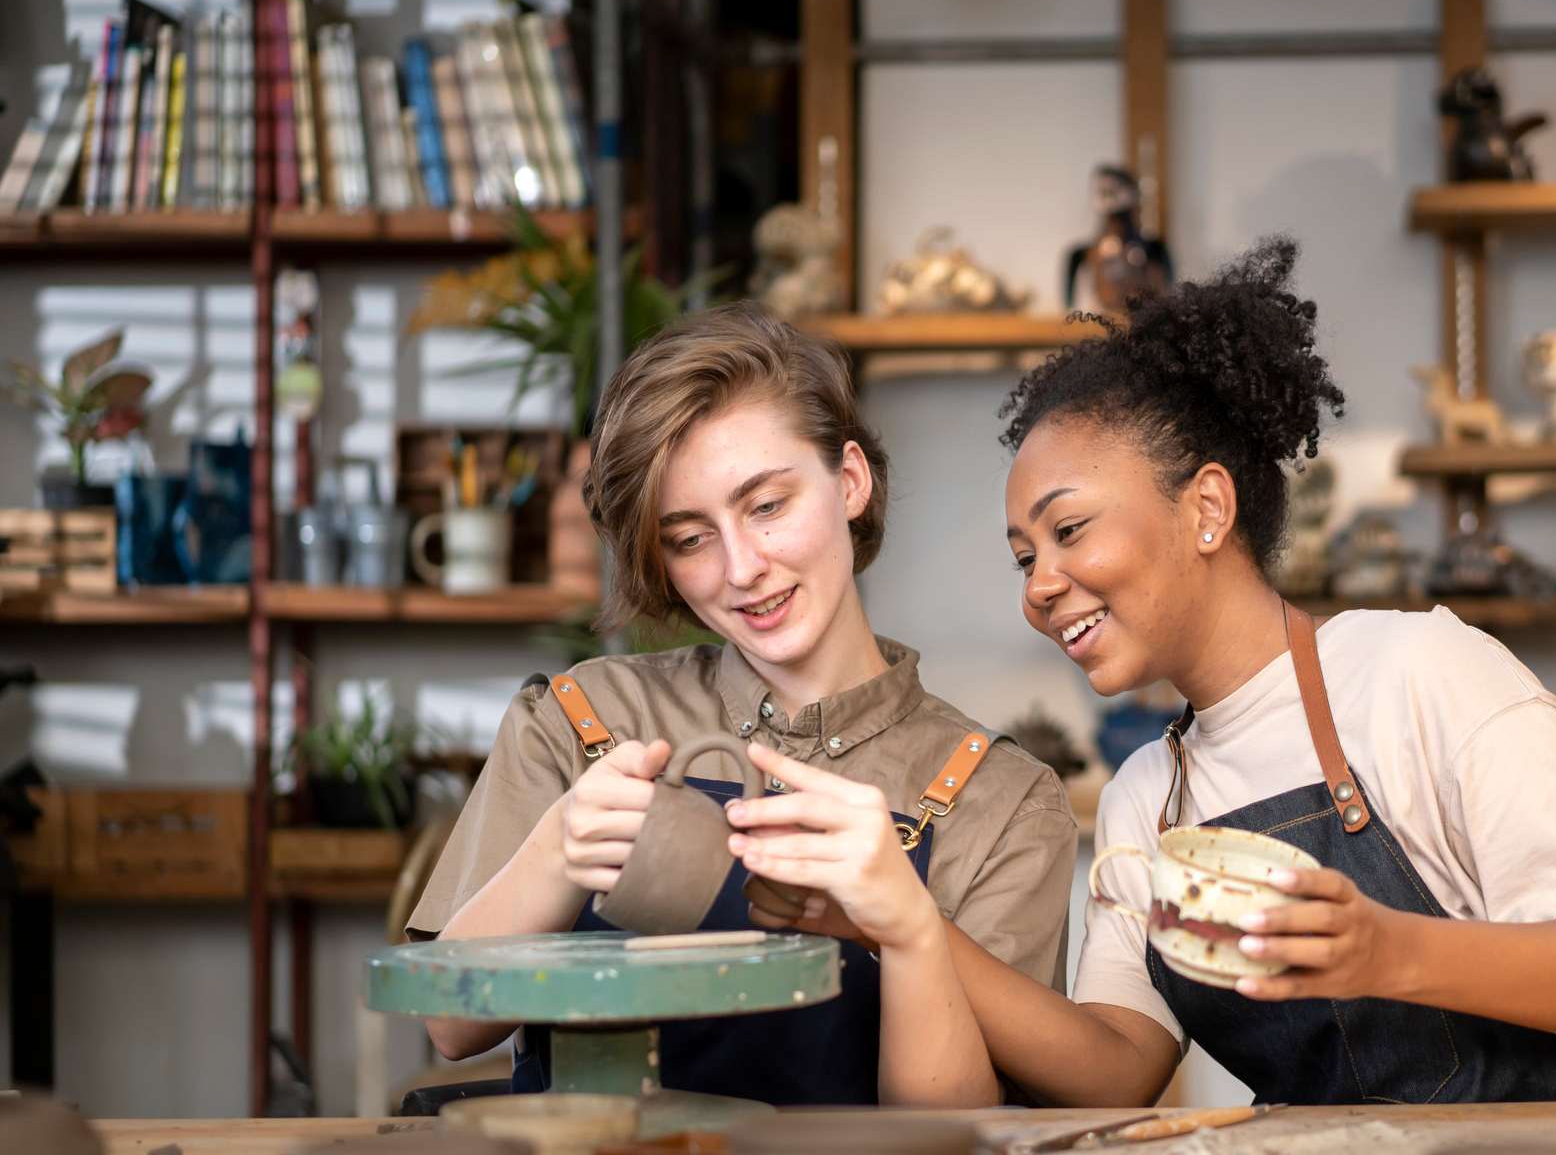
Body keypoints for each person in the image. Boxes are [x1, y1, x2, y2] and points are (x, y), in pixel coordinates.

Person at [730, 239, 1556, 1106]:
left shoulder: (1419, 673)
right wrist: (896, 921)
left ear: (1206, 509)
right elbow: (1117, 1066)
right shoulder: (1148, 800)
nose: (1040, 585)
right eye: (1025, 555)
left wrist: (1390, 951)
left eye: (1069, 530)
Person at [408, 303, 1077, 1107]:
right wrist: (558, 851)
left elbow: (957, 1135)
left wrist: (905, 928)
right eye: (690, 538)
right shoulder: (579, 717)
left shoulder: (999, 799)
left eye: (767, 507)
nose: (742, 568)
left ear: (851, 482)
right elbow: (449, 1029)